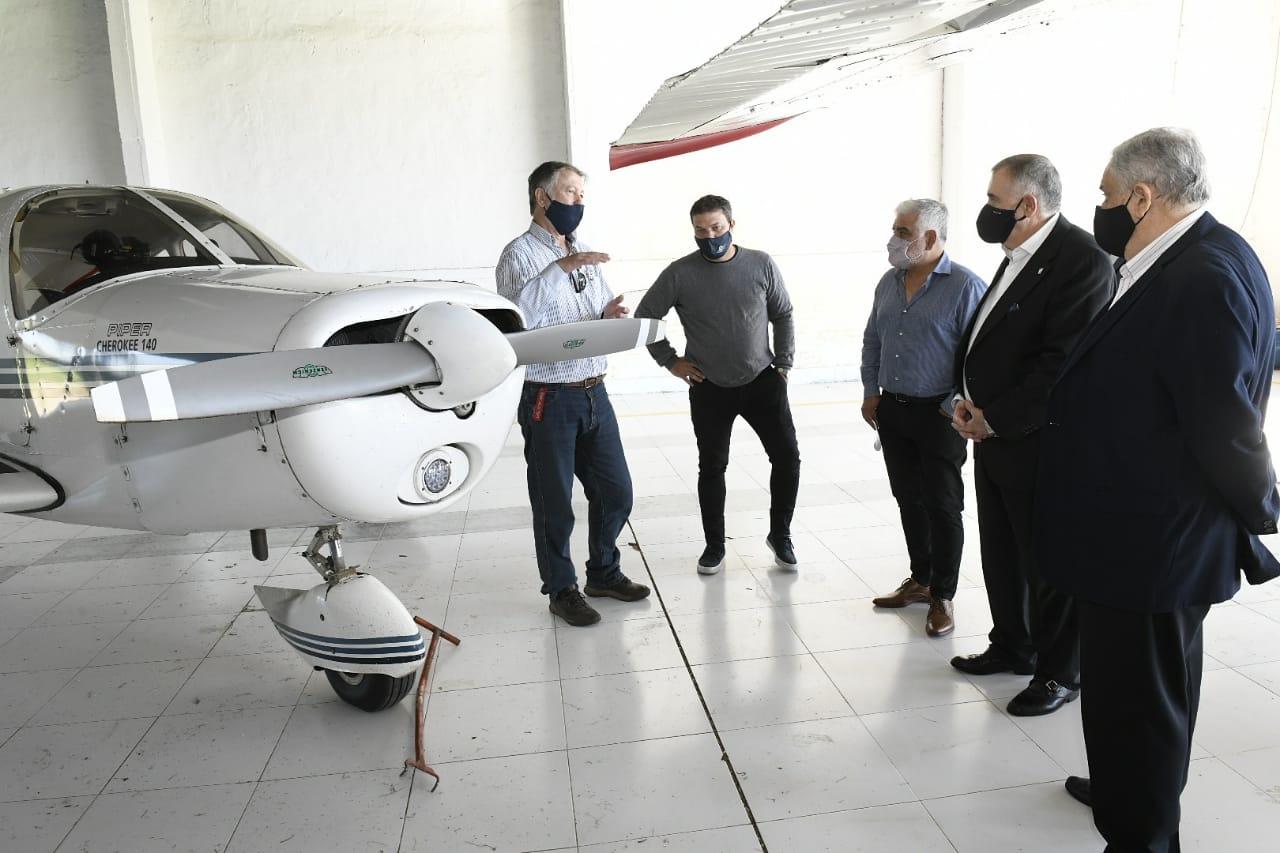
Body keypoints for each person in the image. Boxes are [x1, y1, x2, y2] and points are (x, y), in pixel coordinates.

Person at [1037, 128, 1279, 850]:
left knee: (1140, 709)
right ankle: (1127, 787)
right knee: (1142, 703)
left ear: (1143, 197)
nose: (1101, 211)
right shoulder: (1206, 252)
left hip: (1151, 549)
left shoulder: (1198, 277)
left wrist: (1262, 509)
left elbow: (1227, 426)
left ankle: (1141, 829)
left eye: (1108, 197)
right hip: (1139, 539)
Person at [949, 154, 1113, 716]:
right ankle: (1013, 644)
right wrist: (971, 404)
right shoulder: (1018, 254)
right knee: (1003, 553)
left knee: (1047, 563)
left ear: (1028, 205)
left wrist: (993, 416)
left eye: (995, 201)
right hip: (995, 437)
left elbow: (1058, 365)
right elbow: (994, 337)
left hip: (1039, 442)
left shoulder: (1080, 260)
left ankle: (1059, 672)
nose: (986, 211)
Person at [495, 160, 650, 627]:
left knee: (616, 490)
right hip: (548, 396)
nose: (578, 202)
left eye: (582, 195)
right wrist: (559, 269)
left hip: (593, 391)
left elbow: (588, 312)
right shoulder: (517, 256)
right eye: (570, 193)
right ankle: (561, 589)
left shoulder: (581, 249)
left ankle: (603, 571)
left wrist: (609, 314)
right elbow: (518, 321)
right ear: (543, 198)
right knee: (554, 501)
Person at [635, 195, 800, 574]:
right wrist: (670, 360)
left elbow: (784, 314)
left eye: (716, 228)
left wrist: (784, 365)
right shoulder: (680, 273)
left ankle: (781, 534)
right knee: (712, 466)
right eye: (701, 230)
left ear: (731, 226)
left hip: (762, 380)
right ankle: (714, 545)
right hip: (709, 387)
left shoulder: (760, 264)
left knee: (787, 457)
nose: (710, 237)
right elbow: (646, 317)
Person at [863, 199, 987, 637]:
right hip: (893, 410)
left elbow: (980, 357)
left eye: (902, 232)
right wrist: (870, 391)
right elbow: (872, 339)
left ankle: (943, 595)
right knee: (908, 499)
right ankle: (920, 579)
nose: (893, 240)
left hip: (939, 415)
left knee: (943, 505)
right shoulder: (889, 282)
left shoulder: (966, 287)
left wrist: (951, 404)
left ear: (931, 238)